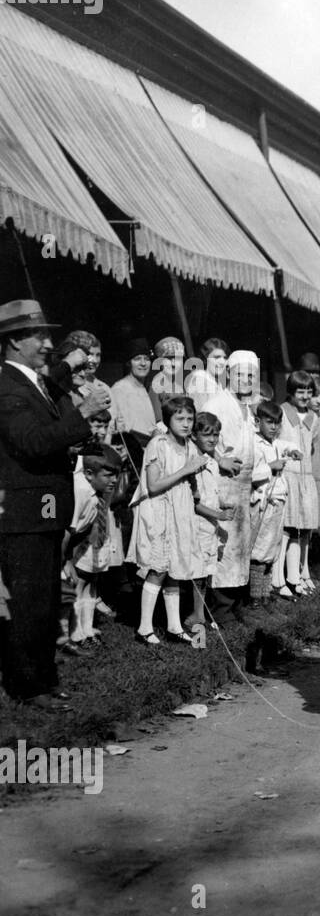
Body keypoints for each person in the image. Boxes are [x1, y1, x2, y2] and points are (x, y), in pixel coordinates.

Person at [0, 300, 110, 707]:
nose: (48, 343)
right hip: (23, 516)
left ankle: (43, 678)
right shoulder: (6, 385)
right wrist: (83, 412)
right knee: (28, 603)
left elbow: (52, 378)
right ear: (14, 341)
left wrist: (72, 360)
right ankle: (28, 686)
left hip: (44, 511)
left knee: (45, 600)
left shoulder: (31, 379)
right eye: (39, 336)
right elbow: (32, 442)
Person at [127, 395, 207, 645]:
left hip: (180, 509)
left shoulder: (189, 445)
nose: (186, 423)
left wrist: (194, 483)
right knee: (159, 568)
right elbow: (153, 485)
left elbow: (189, 478)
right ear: (167, 419)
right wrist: (186, 470)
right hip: (160, 510)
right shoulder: (158, 444)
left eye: (190, 418)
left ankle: (173, 626)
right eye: (179, 418)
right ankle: (144, 627)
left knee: (175, 569)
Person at [192, 345, 256, 624]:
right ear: (229, 374)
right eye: (241, 375)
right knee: (223, 546)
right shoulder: (217, 403)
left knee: (240, 545)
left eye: (251, 376)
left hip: (243, 486)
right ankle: (219, 609)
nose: (247, 380)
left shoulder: (246, 408)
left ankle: (234, 603)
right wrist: (220, 459)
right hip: (222, 483)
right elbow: (202, 434)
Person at [67, 444, 125, 644]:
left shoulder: (98, 486)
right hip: (74, 543)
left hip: (92, 537)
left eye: (116, 475)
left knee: (92, 581)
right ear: (89, 474)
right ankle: (75, 633)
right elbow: (68, 532)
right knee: (78, 582)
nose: (115, 480)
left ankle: (87, 628)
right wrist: (66, 561)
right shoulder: (80, 491)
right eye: (109, 475)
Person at [279, 370, 320, 596]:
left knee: (305, 527)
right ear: (291, 392)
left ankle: (301, 573)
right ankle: (283, 578)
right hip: (288, 475)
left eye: (309, 391)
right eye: (300, 391)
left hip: (306, 479)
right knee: (289, 527)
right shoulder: (282, 412)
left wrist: (316, 478)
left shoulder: (315, 419)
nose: (305, 396)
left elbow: (316, 452)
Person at [189, 411, 233, 631]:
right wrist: (218, 515)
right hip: (197, 525)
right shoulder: (193, 461)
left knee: (205, 573)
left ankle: (199, 616)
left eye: (216, 435)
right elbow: (193, 503)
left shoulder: (212, 461)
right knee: (196, 574)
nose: (212, 439)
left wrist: (222, 505)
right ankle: (195, 619)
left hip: (210, 527)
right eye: (207, 435)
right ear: (194, 435)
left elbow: (211, 494)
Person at [248, 401, 294, 608]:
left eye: (277, 423)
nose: (274, 427)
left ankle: (265, 594)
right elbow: (249, 474)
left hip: (278, 501)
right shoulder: (254, 444)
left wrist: (293, 451)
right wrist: (270, 467)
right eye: (269, 422)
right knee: (260, 548)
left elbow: (288, 445)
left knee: (272, 547)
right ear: (258, 422)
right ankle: (255, 597)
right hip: (263, 502)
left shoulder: (275, 443)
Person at [110, 337, 163, 447]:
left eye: (147, 359)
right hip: (133, 450)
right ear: (129, 363)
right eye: (137, 359)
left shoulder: (143, 388)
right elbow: (123, 431)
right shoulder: (120, 389)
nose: (143, 363)